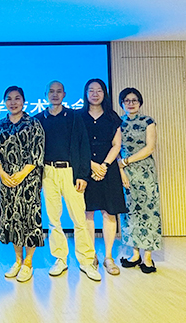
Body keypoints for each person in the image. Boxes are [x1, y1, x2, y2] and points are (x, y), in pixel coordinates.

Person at [36, 81, 101, 282]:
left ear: (64, 94)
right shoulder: (38, 119)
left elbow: (84, 147)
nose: (55, 95)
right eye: (51, 91)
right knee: (53, 220)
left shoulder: (74, 117)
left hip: (71, 172)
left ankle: (86, 261)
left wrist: (82, 175)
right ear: (45, 94)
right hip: (48, 172)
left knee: (79, 219)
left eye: (58, 91)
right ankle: (60, 259)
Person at [0, 86, 45, 283]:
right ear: (4, 102)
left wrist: (22, 174)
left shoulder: (34, 124)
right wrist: (1, 173)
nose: (13, 102)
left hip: (28, 178)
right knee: (12, 219)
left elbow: (37, 152)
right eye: (9, 99)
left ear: (23, 101)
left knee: (29, 219)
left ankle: (28, 262)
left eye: (17, 98)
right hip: (5, 179)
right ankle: (17, 260)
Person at [79, 78, 127, 277]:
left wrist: (104, 165)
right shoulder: (78, 116)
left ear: (104, 93)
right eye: (91, 90)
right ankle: (91, 255)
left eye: (99, 90)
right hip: (86, 168)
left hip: (109, 169)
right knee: (88, 212)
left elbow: (117, 145)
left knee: (109, 212)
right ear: (86, 93)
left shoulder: (112, 117)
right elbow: (77, 145)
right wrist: (92, 165)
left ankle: (108, 257)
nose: (95, 94)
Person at [117, 87, 162, 273]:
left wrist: (125, 161)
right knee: (130, 213)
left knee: (149, 211)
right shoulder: (118, 123)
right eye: (126, 100)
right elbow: (116, 148)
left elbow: (150, 148)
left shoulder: (148, 121)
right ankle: (135, 254)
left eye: (134, 100)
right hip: (125, 172)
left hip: (145, 172)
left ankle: (148, 257)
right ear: (121, 103)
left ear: (140, 102)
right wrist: (121, 169)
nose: (131, 103)